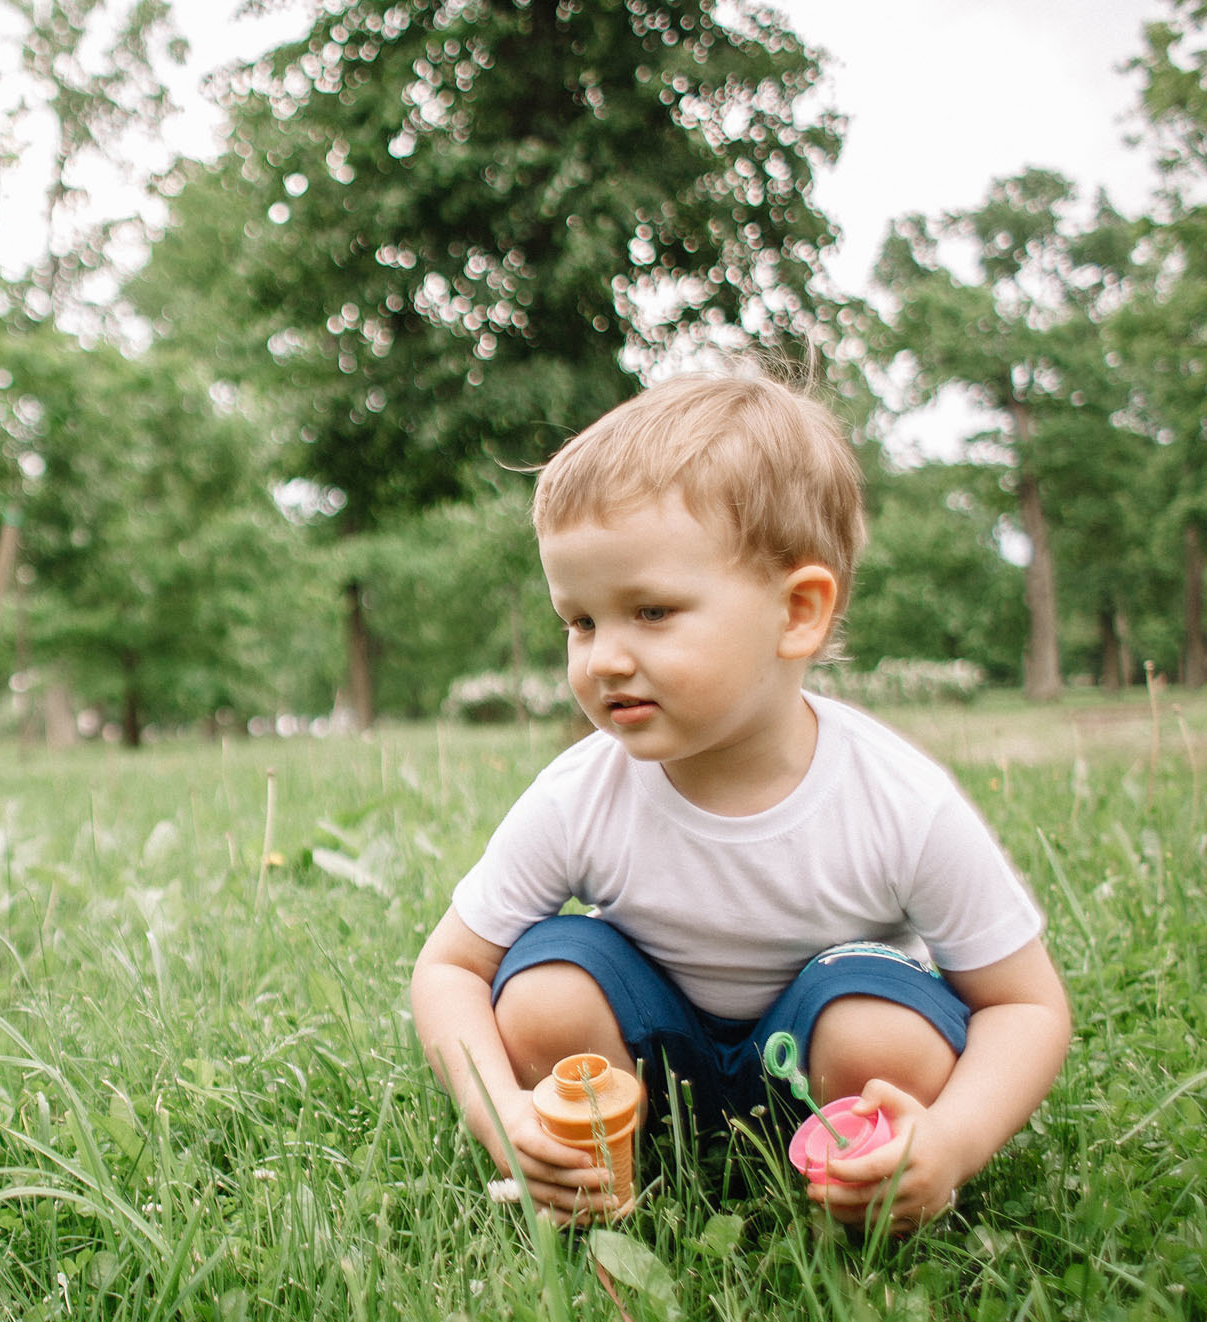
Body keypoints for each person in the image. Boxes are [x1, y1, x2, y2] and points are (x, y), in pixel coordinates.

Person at [409, 371, 1071, 1234]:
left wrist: (950, 1142)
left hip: (823, 1053)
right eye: (581, 621)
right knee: (543, 996)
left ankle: (859, 1169)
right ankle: (612, 1168)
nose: (604, 657)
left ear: (796, 612)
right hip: (659, 1054)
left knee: (884, 1038)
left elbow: (1025, 1006)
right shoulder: (582, 792)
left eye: (651, 611)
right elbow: (449, 968)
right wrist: (499, 1108)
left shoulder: (896, 800)